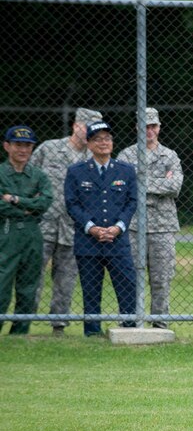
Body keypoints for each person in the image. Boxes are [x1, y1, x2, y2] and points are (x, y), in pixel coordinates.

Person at [30, 107, 102, 336]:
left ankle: (58, 326)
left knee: (66, 280)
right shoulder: (50, 148)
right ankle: (23, 323)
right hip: (43, 224)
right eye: (84, 127)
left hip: (74, 229)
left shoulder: (93, 159)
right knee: (33, 275)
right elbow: (28, 176)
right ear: (75, 125)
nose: (87, 132)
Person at [64, 121, 138, 337]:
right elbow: (72, 204)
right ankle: (92, 333)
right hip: (88, 243)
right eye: (98, 139)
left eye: (107, 138)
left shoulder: (126, 170)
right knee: (91, 290)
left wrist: (118, 227)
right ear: (88, 144)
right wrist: (92, 228)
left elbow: (132, 202)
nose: (103, 143)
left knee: (127, 286)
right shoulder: (76, 172)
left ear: (113, 143)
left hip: (118, 241)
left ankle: (129, 328)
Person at [117, 107, 183, 329]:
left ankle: (159, 322)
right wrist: (159, 183)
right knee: (131, 277)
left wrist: (141, 183)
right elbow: (122, 188)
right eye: (145, 126)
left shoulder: (170, 155)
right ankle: (131, 321)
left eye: (153, 126)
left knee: (161, 278)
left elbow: (175, 186)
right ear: (137, 127)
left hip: (163, 226)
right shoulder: (126, 155)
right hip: (133, 225)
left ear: (159, 127)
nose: (149, 130)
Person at [1, 126, 53, 335]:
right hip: (6, 232)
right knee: (2, 284)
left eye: (28, 146)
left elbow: (45, 202)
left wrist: (15, 199)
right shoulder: (2, 173)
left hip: (33, 234)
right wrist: (29, 205)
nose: (23, 150)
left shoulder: (38, 175)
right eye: (18, 145)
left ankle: (20, 332)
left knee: (29, 285)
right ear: (7, 146)